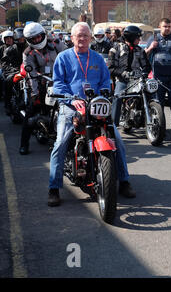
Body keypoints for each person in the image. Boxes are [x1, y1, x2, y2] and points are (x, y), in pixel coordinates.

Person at [49, 22, 135, 206]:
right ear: (72, 38)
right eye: (78, 36)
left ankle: (125, 181)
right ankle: (54, 187)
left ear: (90, 38)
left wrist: (104, 92)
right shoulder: (63, 58)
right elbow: (58, 84)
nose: (82, 39)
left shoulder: (97, 59)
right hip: (71, 106)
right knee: (61, 143)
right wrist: (71, 100)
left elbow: (105, 81)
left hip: (96, 106)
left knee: (118, 140)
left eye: (85, 36)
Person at [19, 23, 60, 155]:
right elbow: (31, 74)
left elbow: (69, 56)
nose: (37, 40)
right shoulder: (28, 53)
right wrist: (35, 93)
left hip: (58, 82)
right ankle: (24, 144)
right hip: (40, 83)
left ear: (43, 34)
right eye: (33, 39)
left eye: (39, 37)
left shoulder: (56, 44)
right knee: (31, 112)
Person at [145, 18, 171, 129]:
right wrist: (151, 47)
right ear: (160, 26)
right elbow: (144, 55)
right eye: (165, 26)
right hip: (158, 77)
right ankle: (159, 126)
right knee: (158, 102)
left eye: (169, 26)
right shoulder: (153, 38)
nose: (167, 28)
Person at [108, 25, 151, 127]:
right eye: (137, 37)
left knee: (149, 93)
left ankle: (147, 117)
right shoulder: (115, 49)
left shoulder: (140, 50)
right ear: (131, 37)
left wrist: (144, 72)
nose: (139, 39)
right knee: (118, 97)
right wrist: (123, 73)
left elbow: (146, 65)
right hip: (122, 80)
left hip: (137, 80)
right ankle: (113, 125)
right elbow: (110, 67)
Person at [0, 30, 22, 110]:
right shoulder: (2, 48)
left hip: (18, 69)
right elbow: (3, 63)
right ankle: (7, 102)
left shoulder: (17, 47)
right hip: (7, 69)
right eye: (7, 38)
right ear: (4, 39)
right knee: (6, 81)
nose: (9, 40)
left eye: (10, 38)